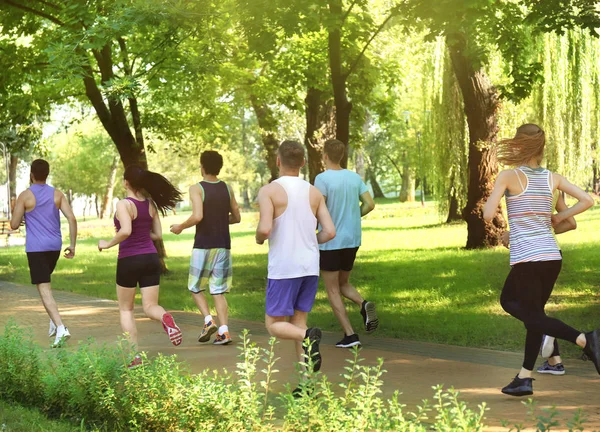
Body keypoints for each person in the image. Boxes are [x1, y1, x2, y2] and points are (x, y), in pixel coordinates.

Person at [483, 123, 598, 397]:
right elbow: (585, 203)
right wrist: (556, 217)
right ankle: (524, 377)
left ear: (519, 145)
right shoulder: (553, 180)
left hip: (529, 259)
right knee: (535, 316)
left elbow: (488, 214)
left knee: (510, 303)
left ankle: (585, 339)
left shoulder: (509, 176)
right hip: (551, 257)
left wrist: (509, 224)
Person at [256, 140, 336, 388]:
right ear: (302, 162)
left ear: (278, 161)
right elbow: (330, 231)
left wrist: (259, 238)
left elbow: (265, 228)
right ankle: (307, 384)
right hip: (309, 267)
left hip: (284, 268)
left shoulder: (269, 191)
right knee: (299, 322)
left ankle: (308, 337)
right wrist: (312, 241)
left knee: (274, 325)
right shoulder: (314, 192)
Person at [98, 166, 183, 367]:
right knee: (150, 306)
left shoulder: (123, 204)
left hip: (129, 260)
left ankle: (134, 358)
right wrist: (143, 236)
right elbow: (158, 235)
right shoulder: (150, 204)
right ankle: (165, 317)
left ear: (126, 182)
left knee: (126, 310)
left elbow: (126, 230)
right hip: (151, 259)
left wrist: (107, 243)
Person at [501, 190, 577, 376]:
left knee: (510, 301)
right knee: (536, 310)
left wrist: (514, 234)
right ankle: (554, 362)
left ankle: (547, 330)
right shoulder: (553, 186)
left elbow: (526, 222)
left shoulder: (518, 184)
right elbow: (570, 223)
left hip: (530, 254)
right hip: (553, 253)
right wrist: (546, 230)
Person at [170, 151, 241, 345]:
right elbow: (236, 217)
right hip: (223, 245)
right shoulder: (228, 188)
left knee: (195, 286)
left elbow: (198, 216)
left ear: (202, 166)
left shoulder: (197, 188)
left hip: (203, 245)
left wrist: (180, 227)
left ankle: (208, 321)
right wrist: (220, 220)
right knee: (217, 290)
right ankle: (224, 331)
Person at [314, 139, 377, 348]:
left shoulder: (322, 179)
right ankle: (363, 304)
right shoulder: (354, 177)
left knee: (332, 289)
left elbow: (317, 208)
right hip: (352, 240)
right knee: (343, 283)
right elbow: (370, 204)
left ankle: (350, 335)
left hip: (330, 240)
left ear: (325, 156)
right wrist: (353, 216)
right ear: (341, 156)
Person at [10, 159, 77, 348]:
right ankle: (53, 319)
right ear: (47, 174)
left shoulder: (26, 196)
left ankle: (61, 327)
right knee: (46, 283)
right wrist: (73, 245)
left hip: (37, 249)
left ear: (31, 174)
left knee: (44, 289)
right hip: (55, 247)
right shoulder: (57, 194)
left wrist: (23, 214)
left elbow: (14, 225)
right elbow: (71, 218)